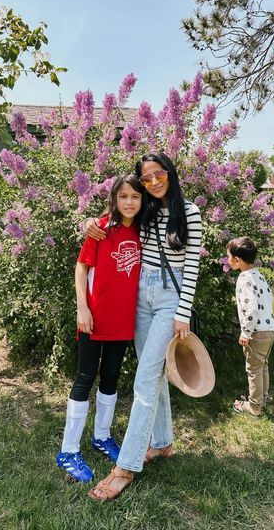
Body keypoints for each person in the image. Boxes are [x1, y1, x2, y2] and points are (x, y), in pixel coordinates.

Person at [85, 152, 202, 501]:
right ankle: (162, 442)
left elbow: (192, 264)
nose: (152, 182)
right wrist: (90, 223)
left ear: (170, 173)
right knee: (153, 374)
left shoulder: (190, 213)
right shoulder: (146, 210)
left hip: (170, 299)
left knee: (143, 381)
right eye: (145, 177)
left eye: (157, 175)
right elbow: (115, 219)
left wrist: (184, 311)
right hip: (140, 297)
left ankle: (126, 466)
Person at [56, 174, 143, 482]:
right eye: (123, 196)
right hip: (93, 318)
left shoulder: (145, 232)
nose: (129, 202)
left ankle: (102, 436)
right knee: (85, 377)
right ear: (114, 200)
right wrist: (82, 307)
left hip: (123, 321)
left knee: (111, 377)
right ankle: (68, 450)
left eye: (135, 196)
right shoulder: (101, 228)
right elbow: (81, 267)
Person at [226, 236, 274, 417]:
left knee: (253, 369)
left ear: (237, 260)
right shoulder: (259, 276)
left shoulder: (243, 278)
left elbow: (251, 308)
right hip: (269, 330)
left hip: (256, 332)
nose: (227, 260)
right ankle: (262, 398)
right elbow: (268, 300)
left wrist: (246, 332)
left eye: (228, 257)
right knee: (262, 366)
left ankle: (254, 406)